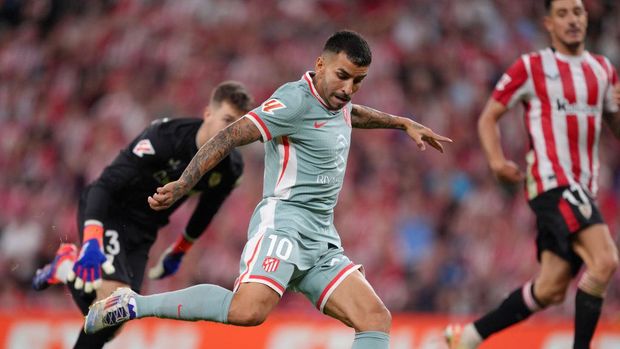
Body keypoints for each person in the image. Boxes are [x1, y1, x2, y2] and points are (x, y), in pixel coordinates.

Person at [83, 30, 452, 349]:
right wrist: (184, 183)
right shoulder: (293, 101)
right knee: (247, 312)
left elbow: (352, 114)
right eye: (343, 76)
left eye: (358, 80)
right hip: (284, 223)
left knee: (375, 318)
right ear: (320, 64)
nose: (349, 88)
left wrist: (403, 123)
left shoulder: (339, 100)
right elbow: (230, 134)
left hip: (321, 235)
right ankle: (131, 304)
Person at [445, 1, 620, 348]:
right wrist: (496, 161)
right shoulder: (532, 66)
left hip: (583, 188)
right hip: (552, 184)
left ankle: (468, 336)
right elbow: (488, 116)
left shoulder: (603, 71)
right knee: (604, 260)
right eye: (563, 13)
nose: (572, 20)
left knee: (551, 289)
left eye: (578, 12)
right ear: (548, 23)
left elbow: (616, 127)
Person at [32, 81, 253, 348]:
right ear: (208, 113)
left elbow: (208, 208)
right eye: (227, 120)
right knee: (111, 305)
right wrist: (92, 240)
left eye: (238, 127)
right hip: (112, 211)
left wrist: (181, 248)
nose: (231, 132)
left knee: (115, 320)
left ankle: (68, 268)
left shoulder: (231, 168)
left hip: (144, 230)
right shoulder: (163, 138)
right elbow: (104, 187)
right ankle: (72, 265)